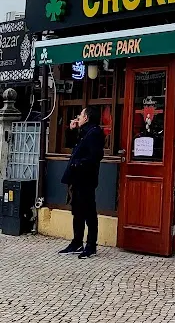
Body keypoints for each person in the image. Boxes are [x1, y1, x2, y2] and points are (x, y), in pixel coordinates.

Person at [58, 106, 105, 258]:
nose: (78, 116)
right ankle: (77, 242)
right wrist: (72, 130)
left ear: (87, 117)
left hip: (86, 178)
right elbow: (74, 147)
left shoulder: (95, 133)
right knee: (77, 211)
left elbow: (95, 156)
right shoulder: (85, 132)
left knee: (89, 212)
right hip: (77, 178)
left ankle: (91, 245)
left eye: (81, 114)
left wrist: (78, 163)